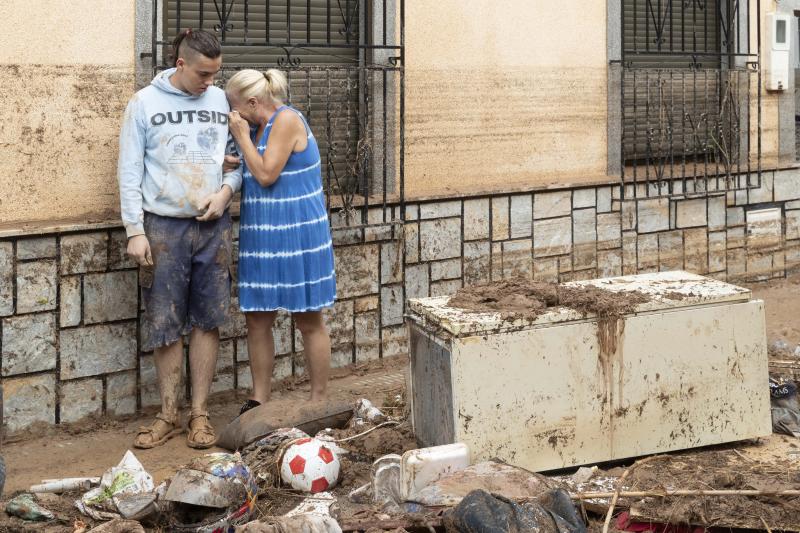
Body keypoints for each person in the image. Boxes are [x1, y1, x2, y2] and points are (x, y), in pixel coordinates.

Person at [118, 29, 242, 449]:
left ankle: (199, 414)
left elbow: (237, 159)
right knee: (165, 322)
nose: (210, 82)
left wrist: (226, 193)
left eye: (216, 74)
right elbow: (129, 170)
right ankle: (167, 413)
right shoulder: (144, 103)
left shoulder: (221, 100)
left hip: (213, 227)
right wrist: (135, 230)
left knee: (208, 319)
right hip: (163, 227)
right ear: (181, 63)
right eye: (204, 73)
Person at [224, 69, 336, 415]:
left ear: (254, 102)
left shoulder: (287, 120)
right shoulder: (257, 128)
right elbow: (256, 167)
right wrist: (235, 158)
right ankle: (260, 398)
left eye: (235, 106)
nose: (233, 113)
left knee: (308, 318)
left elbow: (267, 174)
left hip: (298, 233)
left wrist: (242, 140)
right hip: (262, 234)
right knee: (257, 318)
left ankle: (319, 400)